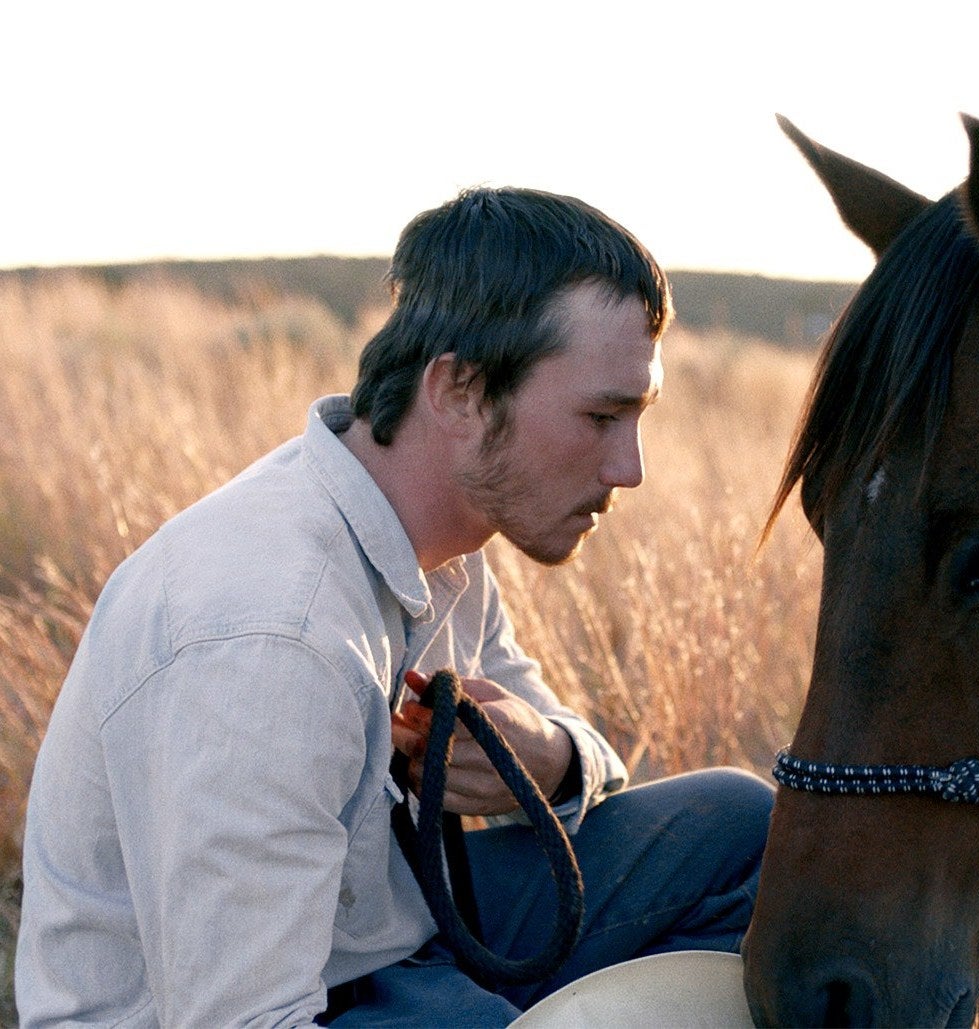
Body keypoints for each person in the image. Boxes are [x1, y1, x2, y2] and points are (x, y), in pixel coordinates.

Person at [16, 187, 775, 1027]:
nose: (629, 468)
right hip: (260, 1001)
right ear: (457, 390)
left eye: (638, 415)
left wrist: (549, 758)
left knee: (747, 832)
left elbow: (583, 760)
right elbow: (243, 1015)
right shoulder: (272, 636)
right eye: (600, 416)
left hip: (386, 930)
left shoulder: (442, 540)